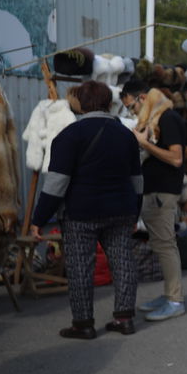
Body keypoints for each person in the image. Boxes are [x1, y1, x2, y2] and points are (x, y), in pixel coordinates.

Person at [32, 81, 143, 339]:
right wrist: (135, 213)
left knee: (81, 267)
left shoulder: (69, 136)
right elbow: (137, 180)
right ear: (108, 103)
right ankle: (124, 319)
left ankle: (83, 324)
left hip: (81, 213)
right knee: (123, 262)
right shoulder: (126, 135)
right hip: (121, 210)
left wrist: (39, 219)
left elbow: (56, 184)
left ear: (80, 103)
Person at [120, 78, 187, 322]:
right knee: (160, 245)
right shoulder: (155, 120)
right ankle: (169, 294)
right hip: (154, 191)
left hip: (163, 192)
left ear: (143, 98)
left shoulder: (167, 118)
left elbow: (176, 158)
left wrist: (144, 144)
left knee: (166, 244)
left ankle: (174, 300)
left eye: (132, 107)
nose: (132, 112)